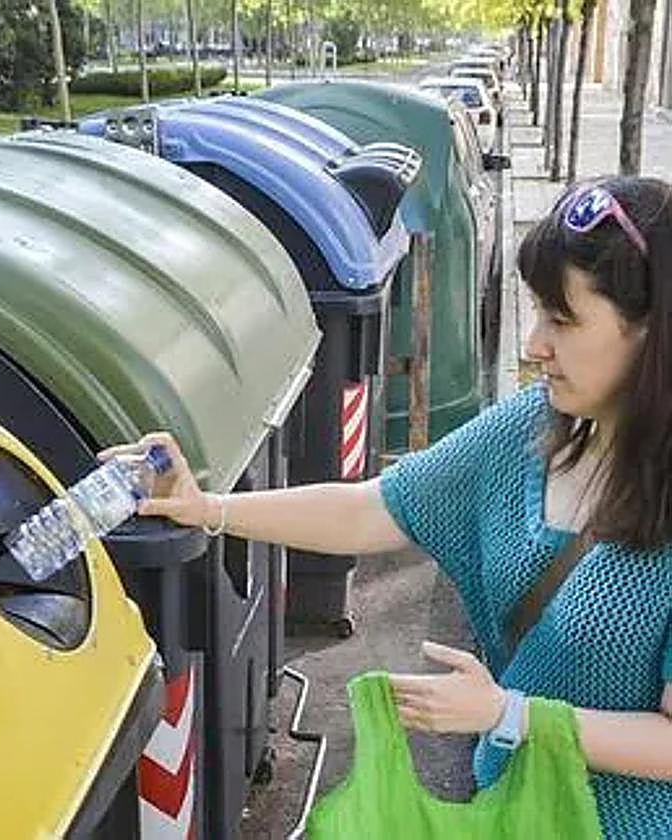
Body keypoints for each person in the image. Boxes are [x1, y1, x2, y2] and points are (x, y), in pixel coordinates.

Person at [101, 176, 672, 838]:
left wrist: (510, 716)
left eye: (563, 320)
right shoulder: (529, 430)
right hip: (509, 813)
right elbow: (370, 510)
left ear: (653, 333)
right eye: (537, 312)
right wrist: (206, 508)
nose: (535, 343)